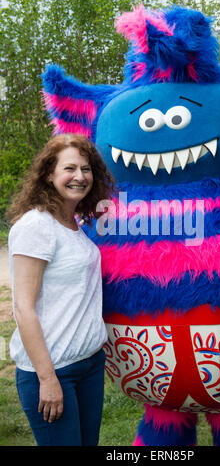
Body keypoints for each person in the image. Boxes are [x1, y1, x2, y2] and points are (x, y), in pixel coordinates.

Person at [7, 133, 115, 446]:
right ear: (49, 174)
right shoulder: (36, 225)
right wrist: (47, 378)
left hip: (90, 364)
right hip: (54, 372)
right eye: (70, 168)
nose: (79, 177)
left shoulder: (73, 225)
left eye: (86, 169)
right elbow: (23, 308)